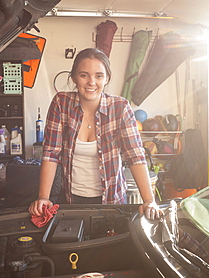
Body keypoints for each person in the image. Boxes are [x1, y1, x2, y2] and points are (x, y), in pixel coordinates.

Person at [28, 48, 162, 220]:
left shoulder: (120, 107)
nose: (91, 82)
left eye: (99, 76)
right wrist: (43, 197)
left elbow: (135, 156)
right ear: (74, 78)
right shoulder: (61, 104)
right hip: (71, 200)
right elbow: (51, 153)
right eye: (84, 75)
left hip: (113, 202)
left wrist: (149, 200)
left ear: (106, 79)